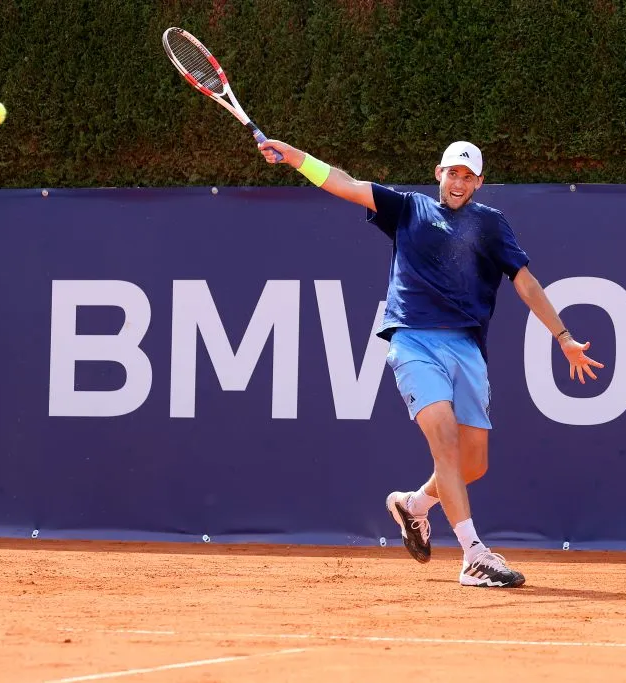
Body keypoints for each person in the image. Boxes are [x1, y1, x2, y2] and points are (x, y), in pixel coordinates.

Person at [257, 138, 604, 588]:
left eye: (468, 176)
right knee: (443, 441)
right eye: (452, 173)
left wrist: (564, 336)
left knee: (472, 464)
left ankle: (413, 506)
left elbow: (526, 281)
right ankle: (473, 554)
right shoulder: (407, 209)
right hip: (413, 341)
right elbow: (344, 184)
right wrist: (296, 157)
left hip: (467, 350)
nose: (458, 182)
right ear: (439, 172)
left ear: (479, 183)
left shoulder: (491, 225)